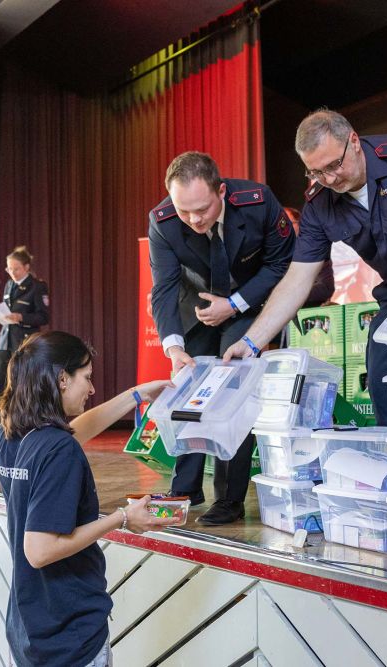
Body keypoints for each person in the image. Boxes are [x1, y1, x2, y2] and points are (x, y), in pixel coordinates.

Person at [224, 109, 387, 427]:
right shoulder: (319, 203)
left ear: (353, 141)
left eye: (335, 165)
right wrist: (250, 343)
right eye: (317, 172)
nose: (331, 179)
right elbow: (298, 278)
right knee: (382, 380)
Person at [0, 330, 179, 667]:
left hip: (29, 623)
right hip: (70, 630)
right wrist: (122, 518)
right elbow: (39, 551)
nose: (92, 389)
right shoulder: (58, 449)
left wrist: (136, 395)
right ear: (62, 379)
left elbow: (78, 428)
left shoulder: (14, 433)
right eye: (87, 378)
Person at [148, 151, 296, 525]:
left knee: (231, 389)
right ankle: (186, 487)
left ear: (222, 192)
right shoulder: (162, 222)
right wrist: (174, 347)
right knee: (188, 391)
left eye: (202, 209)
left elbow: (281, 265)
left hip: (247, 305)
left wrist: (234, 304)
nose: (194, 220)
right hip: (194, 307)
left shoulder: (258, 204)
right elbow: (163, 288)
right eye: (185, 212)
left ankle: (229, 499)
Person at [0, 246, 50, 445]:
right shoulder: (9, 285)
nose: (12, 272)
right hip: (6, 341)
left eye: (16, 268)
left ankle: (27, 430)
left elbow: (44, 317)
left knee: (24, 386)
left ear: (26, 267)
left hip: (25, 343)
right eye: (9, 269)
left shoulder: (37, 286)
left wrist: (21, 317)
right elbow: (5, 312)